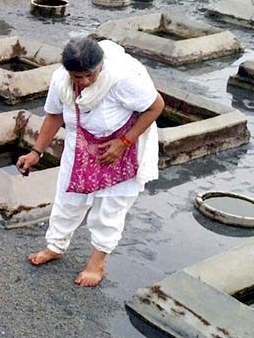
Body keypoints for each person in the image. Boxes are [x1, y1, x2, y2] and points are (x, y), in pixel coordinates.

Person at [16, 38, 164, 287]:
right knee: (67, 200)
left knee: (109, 209)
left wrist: (123, 142)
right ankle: (55, 246)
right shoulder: (60, 80)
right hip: (80, 147)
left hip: (118, 151)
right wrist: (36, 152)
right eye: (77, 76)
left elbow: (156, 106)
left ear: (100, 66)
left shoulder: (122, 79)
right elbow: (53, 115)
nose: (83, 82)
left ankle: (97, 264)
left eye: (90, 75)